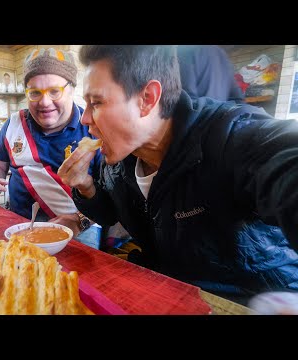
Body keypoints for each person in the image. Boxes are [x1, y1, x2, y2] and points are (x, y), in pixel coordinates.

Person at [58, 45, 298, 304]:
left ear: (147, 98)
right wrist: (85, 186)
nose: (85, 119)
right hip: (168, 291)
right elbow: (108, 214)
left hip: (244, 301)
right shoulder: (118, 159)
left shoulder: (232, 137)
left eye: (97, 102)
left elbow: (286, 162)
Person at [0, 48, 102, 236]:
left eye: (55, 91)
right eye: (35, 92)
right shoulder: (13, 124)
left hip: (80, 227)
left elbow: (110, 197)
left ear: (72, 89)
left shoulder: (92, 127)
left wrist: (79, 221)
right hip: (19, 223)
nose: (44, 102)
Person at [177, 45, 244, 102]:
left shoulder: (184, 51)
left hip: (203, 115)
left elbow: (188, 100)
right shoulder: (219, 52)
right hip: (221, 114)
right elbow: (237, 97)